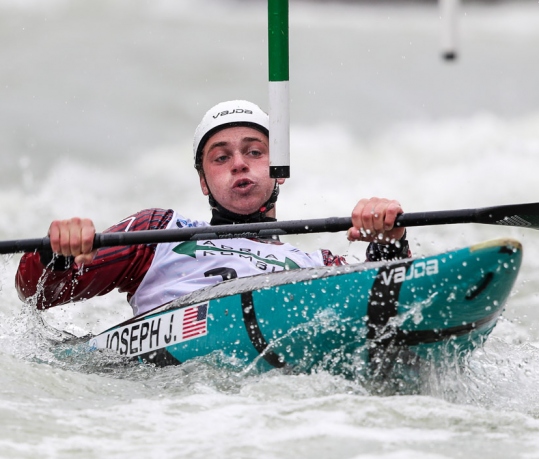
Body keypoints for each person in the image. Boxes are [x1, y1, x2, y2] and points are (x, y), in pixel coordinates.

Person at [16, 100, 409, 317]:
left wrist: (388, 243)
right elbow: (39, 293)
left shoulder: (322, 263)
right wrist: (59, 255)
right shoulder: (159, 232)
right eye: (221, 158)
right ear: (203, 182)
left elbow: (392, 307)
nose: (239, 163)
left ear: (279, 172)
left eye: (254, 152)